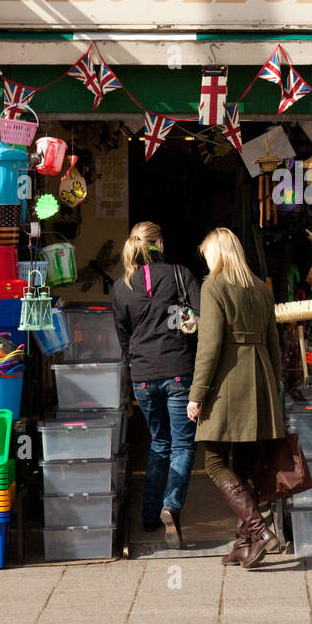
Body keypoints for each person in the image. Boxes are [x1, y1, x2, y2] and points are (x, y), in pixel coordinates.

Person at [186, 227, 284, 569]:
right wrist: (276, 386)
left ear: (217, 254)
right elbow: (274, 343)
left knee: (213, 461)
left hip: (227, 383)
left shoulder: (213, 286)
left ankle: (260, 530)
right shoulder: (260, 288)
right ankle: (245, 545)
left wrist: (196, 395)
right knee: (243, 465)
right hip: (259, 382)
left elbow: (208, 346)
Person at [112, 221, 202, 548]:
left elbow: (125, 340)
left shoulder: (120, 287)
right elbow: (200, 320)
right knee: (182, 445)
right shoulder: (180, 274)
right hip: (178, 371)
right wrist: (178, 318)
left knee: (158, 443)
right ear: (160, 244)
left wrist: (136, 368)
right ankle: (170, 505)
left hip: (143, 377)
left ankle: (150, 516)